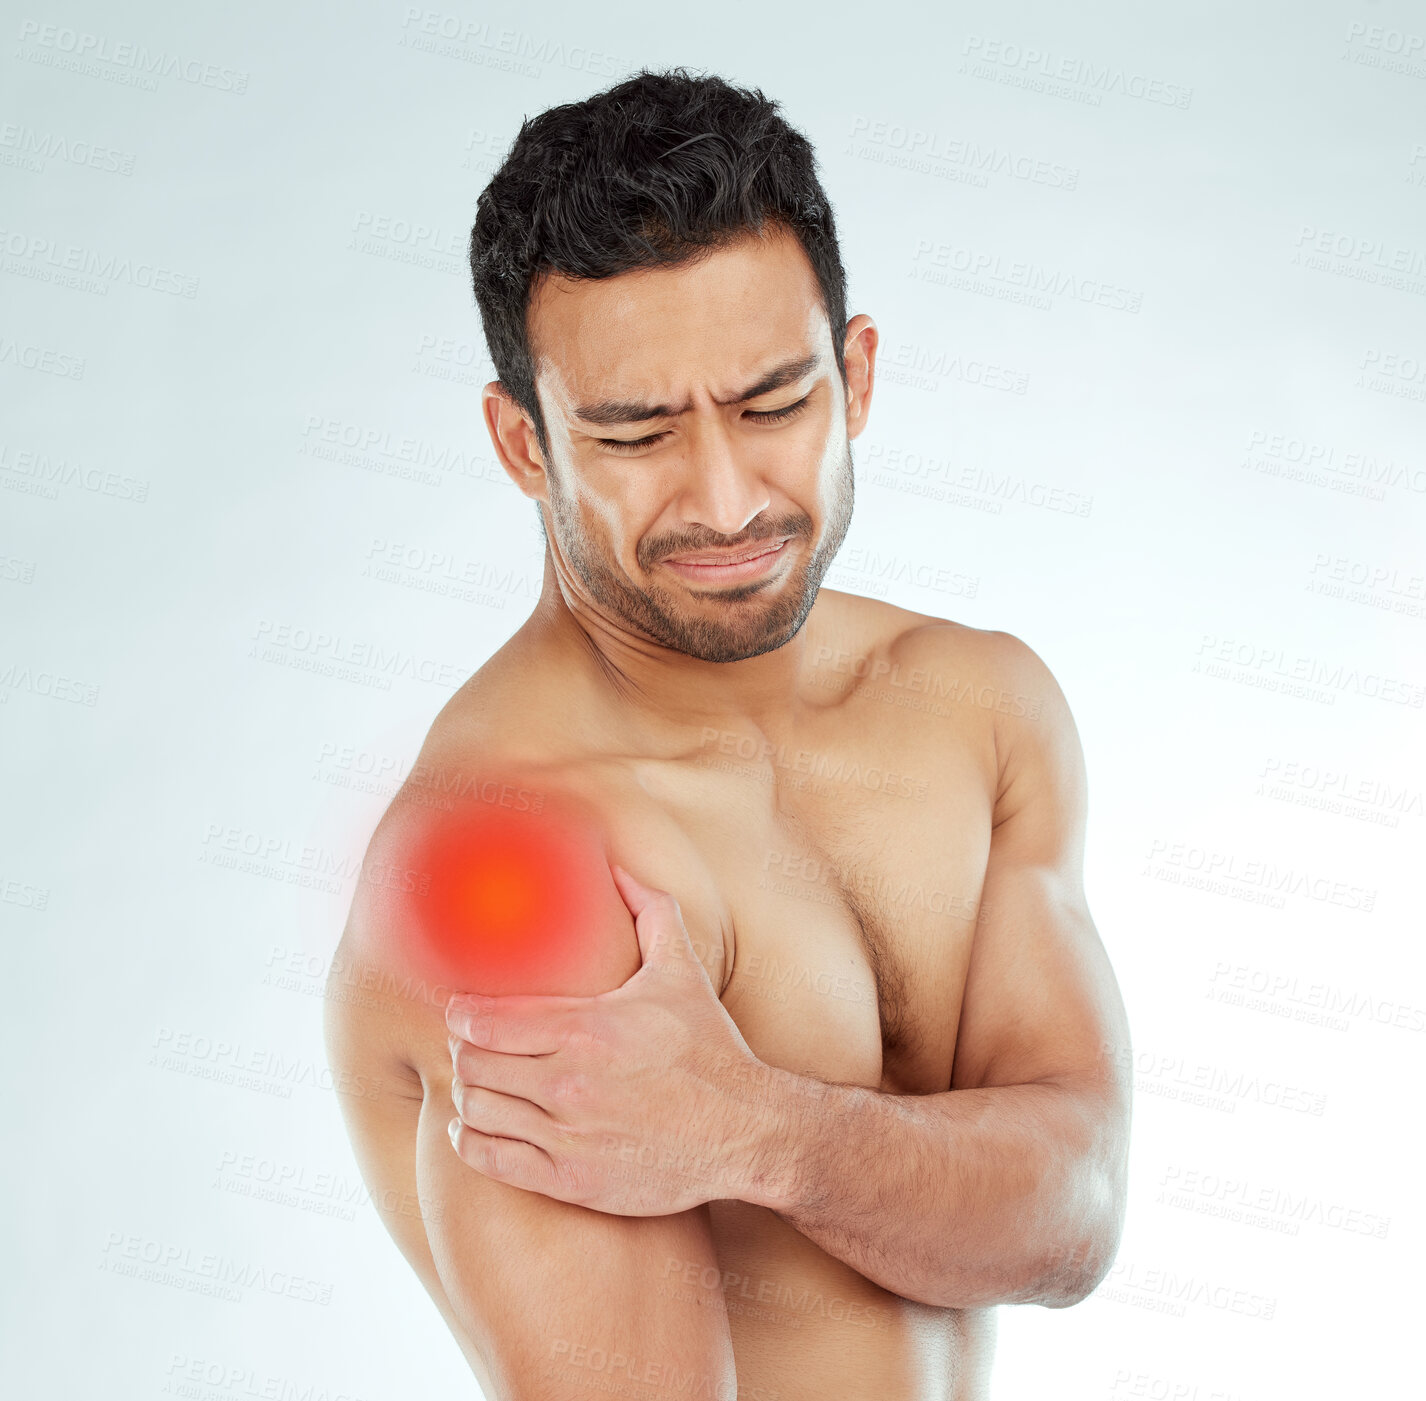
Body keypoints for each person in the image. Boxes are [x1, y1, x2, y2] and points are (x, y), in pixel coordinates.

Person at [324, 66, 1131, 1401]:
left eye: (770, 406)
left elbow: (1073, 1210)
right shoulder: (503, 864)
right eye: (635, 433)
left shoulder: (976, 706)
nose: (724, 497)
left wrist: (763, 1133)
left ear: (854, 373)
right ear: (523, 444)